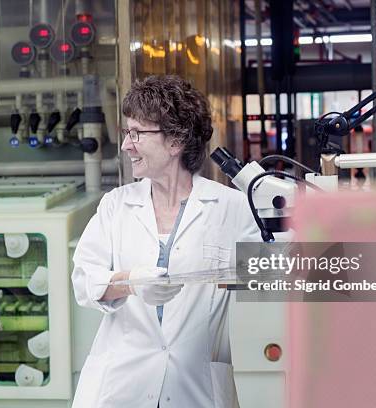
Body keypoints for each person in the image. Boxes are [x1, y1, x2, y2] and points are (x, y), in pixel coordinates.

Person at [71, 75, 260, 408]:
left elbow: (270, 281)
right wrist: (129, 282)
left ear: (175, 142)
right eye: (128, 132)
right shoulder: (116, 205)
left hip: (195, 386)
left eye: (137, 133)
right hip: (120, 387)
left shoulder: (233, 208)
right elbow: (85, 281)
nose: (126, 144)